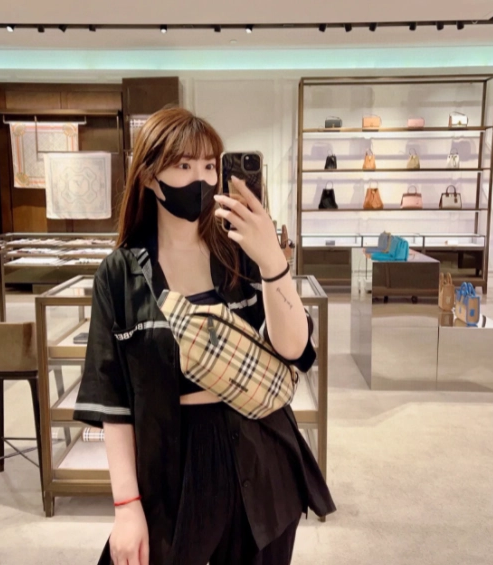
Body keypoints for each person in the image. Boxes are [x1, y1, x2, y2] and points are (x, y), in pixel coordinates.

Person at [73, 107, 336, 565]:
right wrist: (126, 506)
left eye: (210, 165)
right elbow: (114, 401)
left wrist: (272, 261)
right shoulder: (119, 274)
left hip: (262, 455)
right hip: (173, 469)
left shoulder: (240, 252)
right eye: (183, 165)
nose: (202, 178)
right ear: (149, 176)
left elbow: (294, 349)